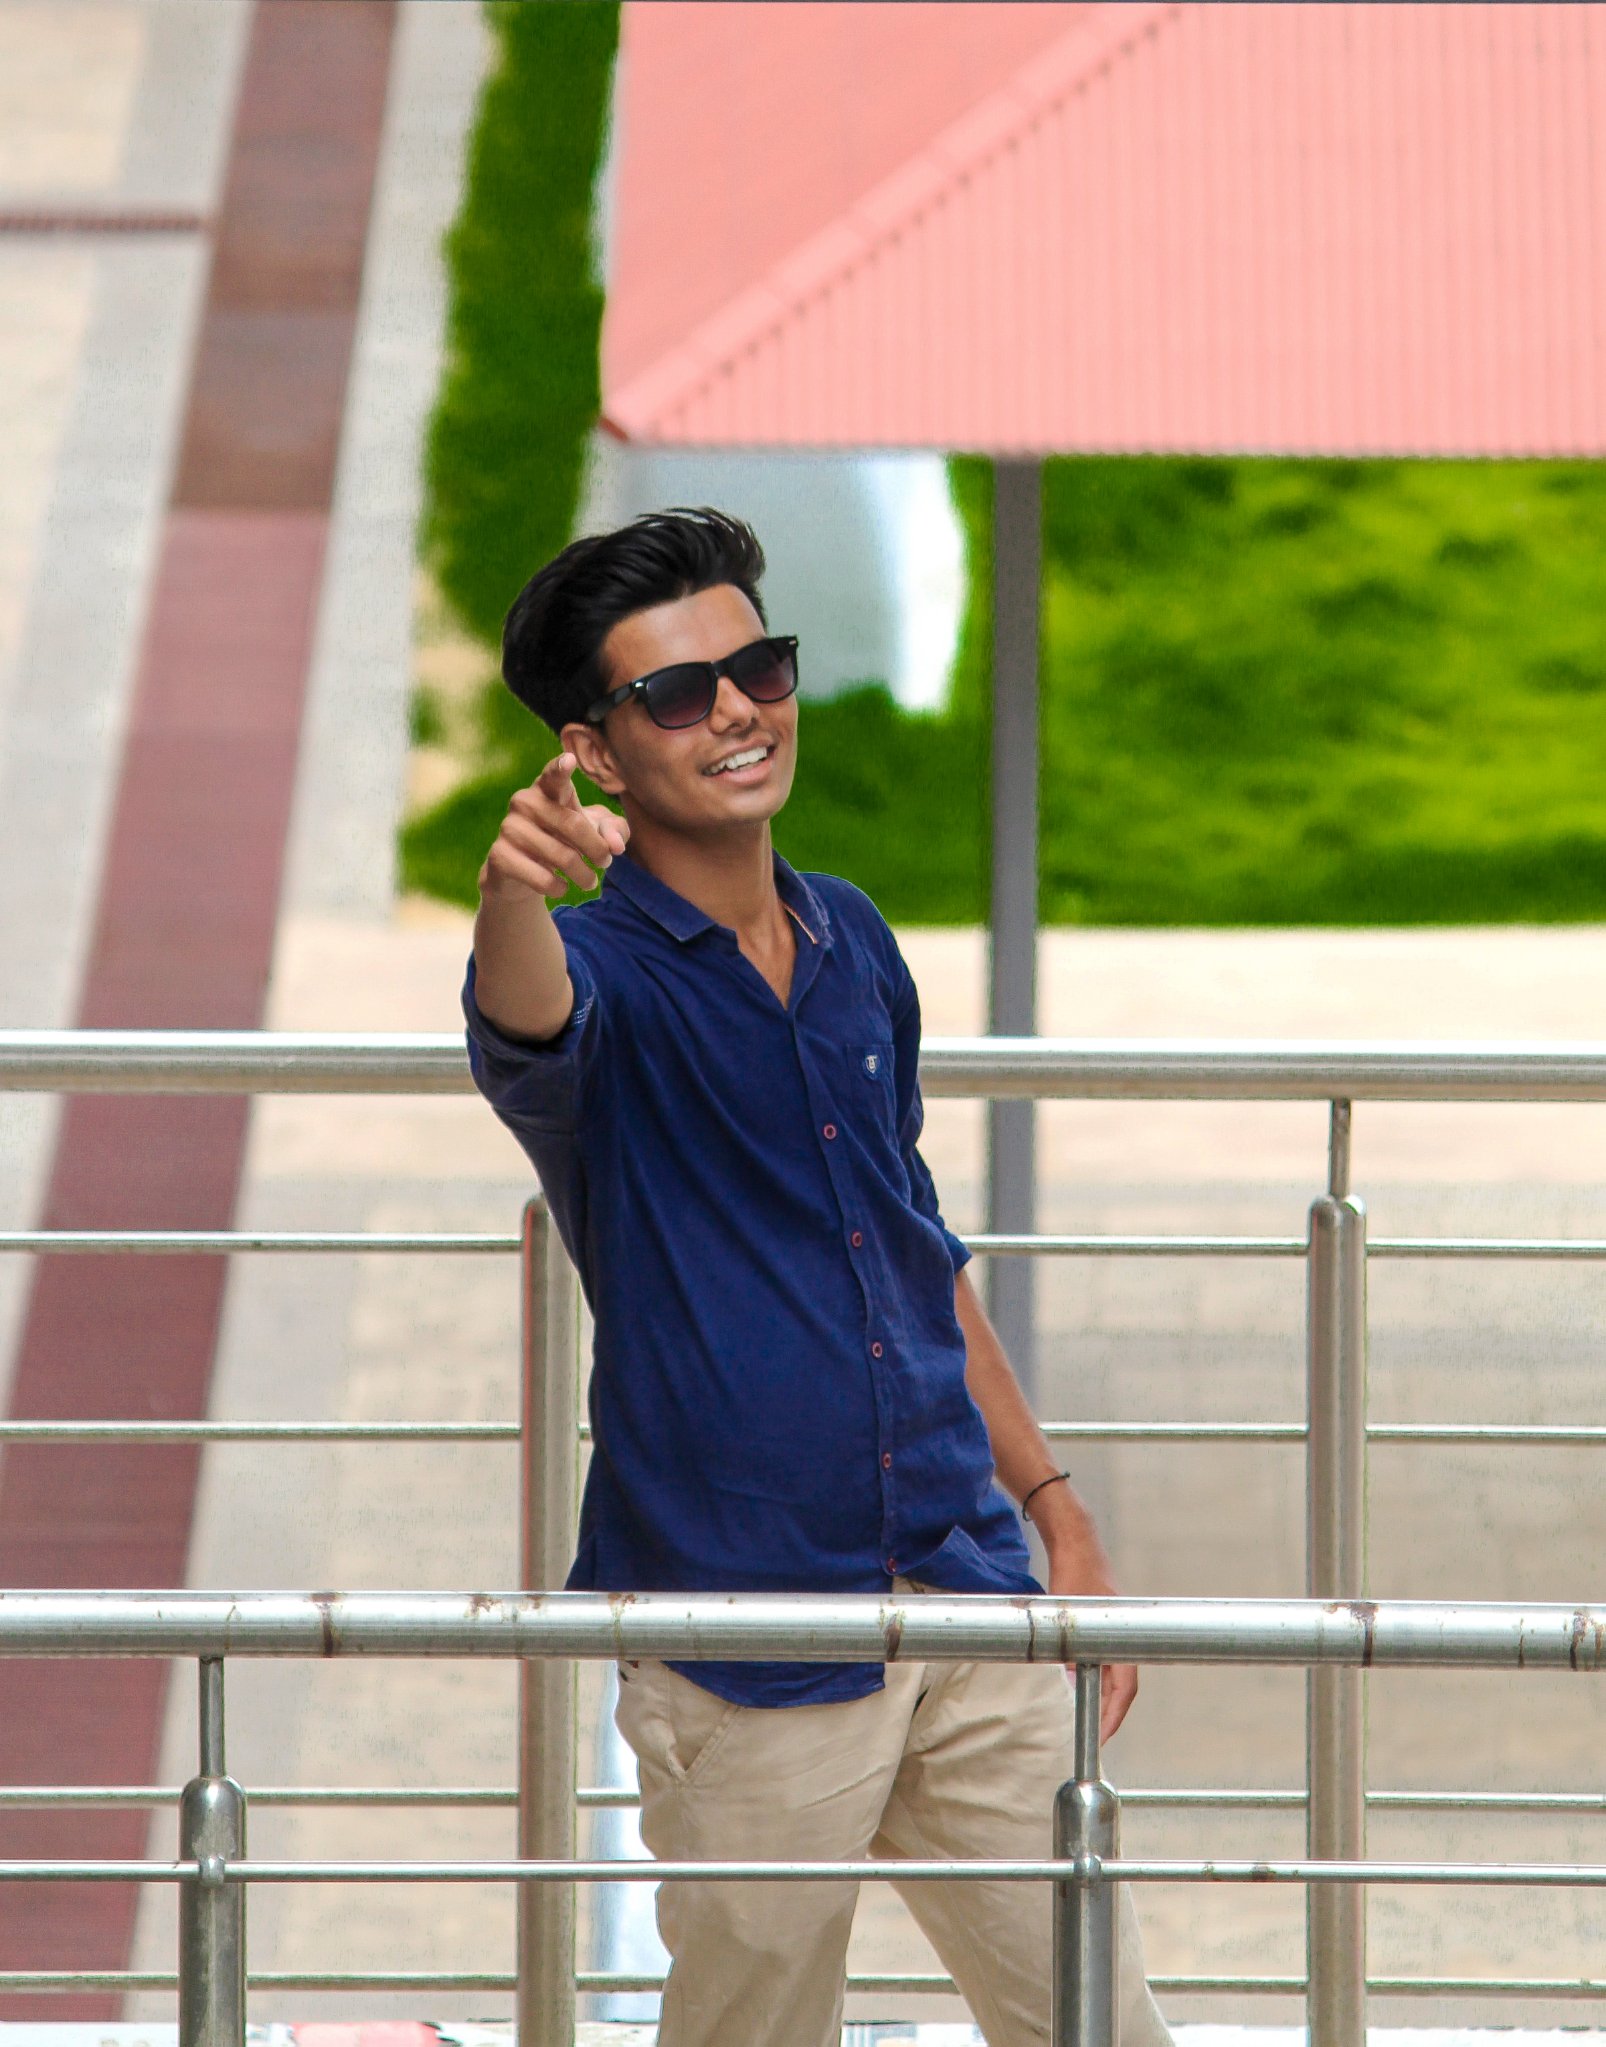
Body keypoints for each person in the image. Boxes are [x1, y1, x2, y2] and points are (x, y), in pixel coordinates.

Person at [463, 508, 1172, 2047]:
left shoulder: (850, 936)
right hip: (745, 1632)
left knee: (1095, 2019)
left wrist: (1057, 1513)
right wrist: (512, 893)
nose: (735, 710)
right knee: (752, 2033)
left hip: (962, 1584)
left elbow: (908, 1250)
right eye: (676, 693)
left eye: (756, 667)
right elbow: (526, 1012)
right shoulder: (600, 981)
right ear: (592, 747)